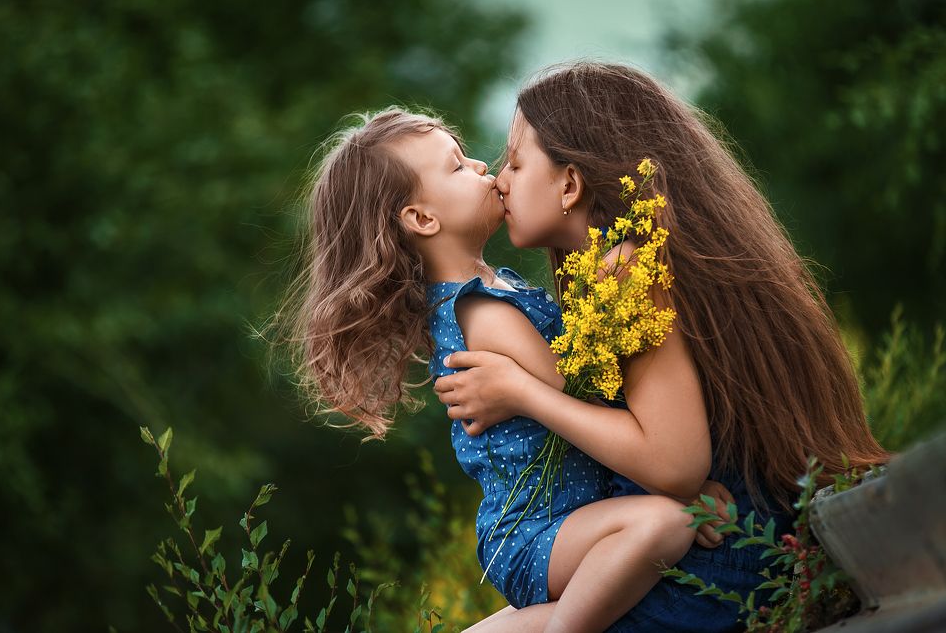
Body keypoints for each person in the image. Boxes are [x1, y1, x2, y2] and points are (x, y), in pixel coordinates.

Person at [434, 62, 890, 631]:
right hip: (713, 548)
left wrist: (521, 391)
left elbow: (673, 464)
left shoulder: (627, 272)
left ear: (571, 184)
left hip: (723, 565)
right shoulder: (619, 271)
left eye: (517, 162)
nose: (500, 179)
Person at [281, 106, 705, 632]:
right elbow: (593, 401)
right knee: (669, 521)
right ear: (421, 219)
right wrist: (685, 481)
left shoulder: (493, 291)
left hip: (568, 524)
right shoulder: (484, 313)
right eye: (457, 166)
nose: (484, 168)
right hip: (541, 533)